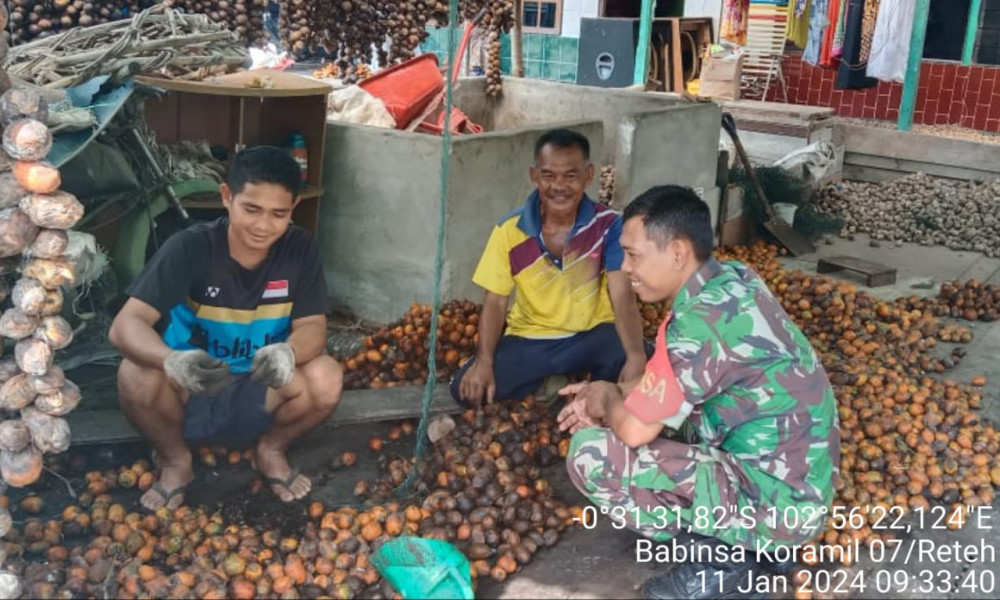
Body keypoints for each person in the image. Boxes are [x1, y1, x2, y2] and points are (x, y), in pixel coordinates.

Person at [558, 185, 839, 599]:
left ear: (676, 253)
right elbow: (664, 383)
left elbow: (635, 431)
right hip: (799, 488)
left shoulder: (698, 324)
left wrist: (607, 400)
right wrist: (608, 390)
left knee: (590, 454)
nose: (625, 267)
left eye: (633, 254)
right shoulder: (730, 281)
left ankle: (721, 561)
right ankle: (757, 546)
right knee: (656, 416)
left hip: (781, 507)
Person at [109, 146, 343, 511]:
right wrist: (173, 360)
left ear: (294, 208)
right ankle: (176, 461)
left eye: (278, 214)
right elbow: (125, 325)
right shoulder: (190, 247)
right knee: (134, 373)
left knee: (326, 376)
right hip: (193, 383)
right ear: (226, 197)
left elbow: (313, 325)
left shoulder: (300, 249)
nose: (263, 225)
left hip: (260, 381)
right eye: (251, 209)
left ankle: (271, 449)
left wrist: (289, 352)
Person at [451, 128, 647, 408]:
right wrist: (484, 362)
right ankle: (559, 385)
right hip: (532, 338)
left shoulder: (609, 226)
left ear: (589, 175)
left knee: (636, 361)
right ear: (534, 176)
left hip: (592, 335)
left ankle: (574, 389)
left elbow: (622, 295)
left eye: (571, 176)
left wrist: (636, 355)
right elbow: (495, 301)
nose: (559, 186)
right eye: (548, 176)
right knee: (465, 389)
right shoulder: (509, 230)